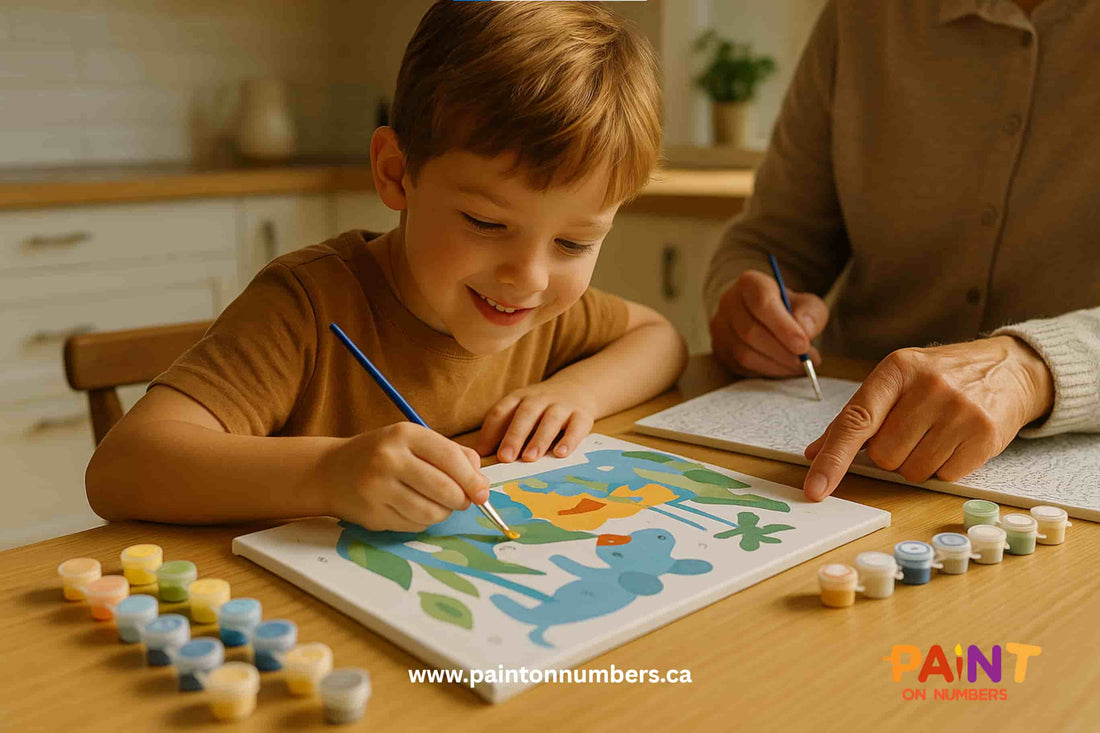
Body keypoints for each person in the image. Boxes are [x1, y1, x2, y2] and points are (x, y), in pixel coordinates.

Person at [85, 1, 686, 532]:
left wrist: (573, 392)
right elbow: (121, 468)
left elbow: (659, 339)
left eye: (574, 244)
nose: (528, 277)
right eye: (485, 223)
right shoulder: (307, 305)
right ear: (396, 173)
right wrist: (326, 473)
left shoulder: (540, 311)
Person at [704, 0, 1099, 501]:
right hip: (846, 439)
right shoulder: (860, 17)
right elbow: (770, 242)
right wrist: (744, 305)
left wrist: (1030, 370)